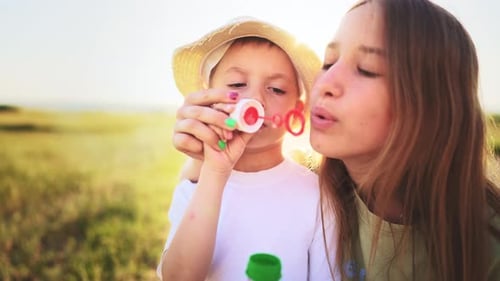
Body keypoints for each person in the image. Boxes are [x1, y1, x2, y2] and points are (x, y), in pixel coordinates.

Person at [170, 1, 500, 280]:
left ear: (429, 109)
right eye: (328, 63)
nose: (326, 82)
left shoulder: (487, 251)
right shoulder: (326, 192)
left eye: (367, 69)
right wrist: (203, 154)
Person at [158, 17, 338, 281]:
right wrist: (215, 172)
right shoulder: (196, 187)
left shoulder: (319, 196)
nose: (255, 100)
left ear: (297, 112)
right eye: (236, 85)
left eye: (276, 89)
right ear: (210, 101)